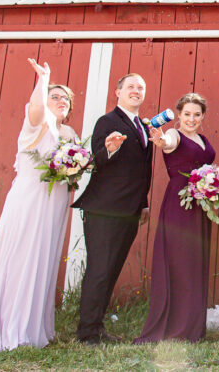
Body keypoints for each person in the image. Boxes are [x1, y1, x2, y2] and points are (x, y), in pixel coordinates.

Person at [0, 59, 78, 350]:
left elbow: (79, 166)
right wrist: (44, 81)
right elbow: (35, 109)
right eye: (55, 96)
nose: (60, 101)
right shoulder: (36, 125)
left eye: (65, 99)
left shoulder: (68, 135)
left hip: (54, 206)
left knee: (43, 261)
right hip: (30, 202)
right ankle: (9, 328)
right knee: (22, 257)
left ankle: (33, 328)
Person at [73, 72, 153, 344]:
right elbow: (99, 158)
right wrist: (110, 149)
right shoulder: (107, 121)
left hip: (129, 211)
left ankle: (97, 327)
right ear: (117, 92)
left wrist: (143, 204)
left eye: (140, 87)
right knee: (99, 270)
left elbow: (143, 170)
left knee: (112, 269)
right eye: (130, 86)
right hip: (105, 210)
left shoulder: (143, 126)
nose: (136, 91)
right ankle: (87, 333)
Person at [134, 93, 217, 344]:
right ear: (178, 115)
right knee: (179, 260)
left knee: (194, 261)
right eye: (187, 114)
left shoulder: (202, 139)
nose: (191, 119)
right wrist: (161, 140)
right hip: (180, 204)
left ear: (202, 116)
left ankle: (192, 326)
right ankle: (174, 327)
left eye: (196, 114)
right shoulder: (175, 135)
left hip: (200, 204)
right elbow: (167, 143)